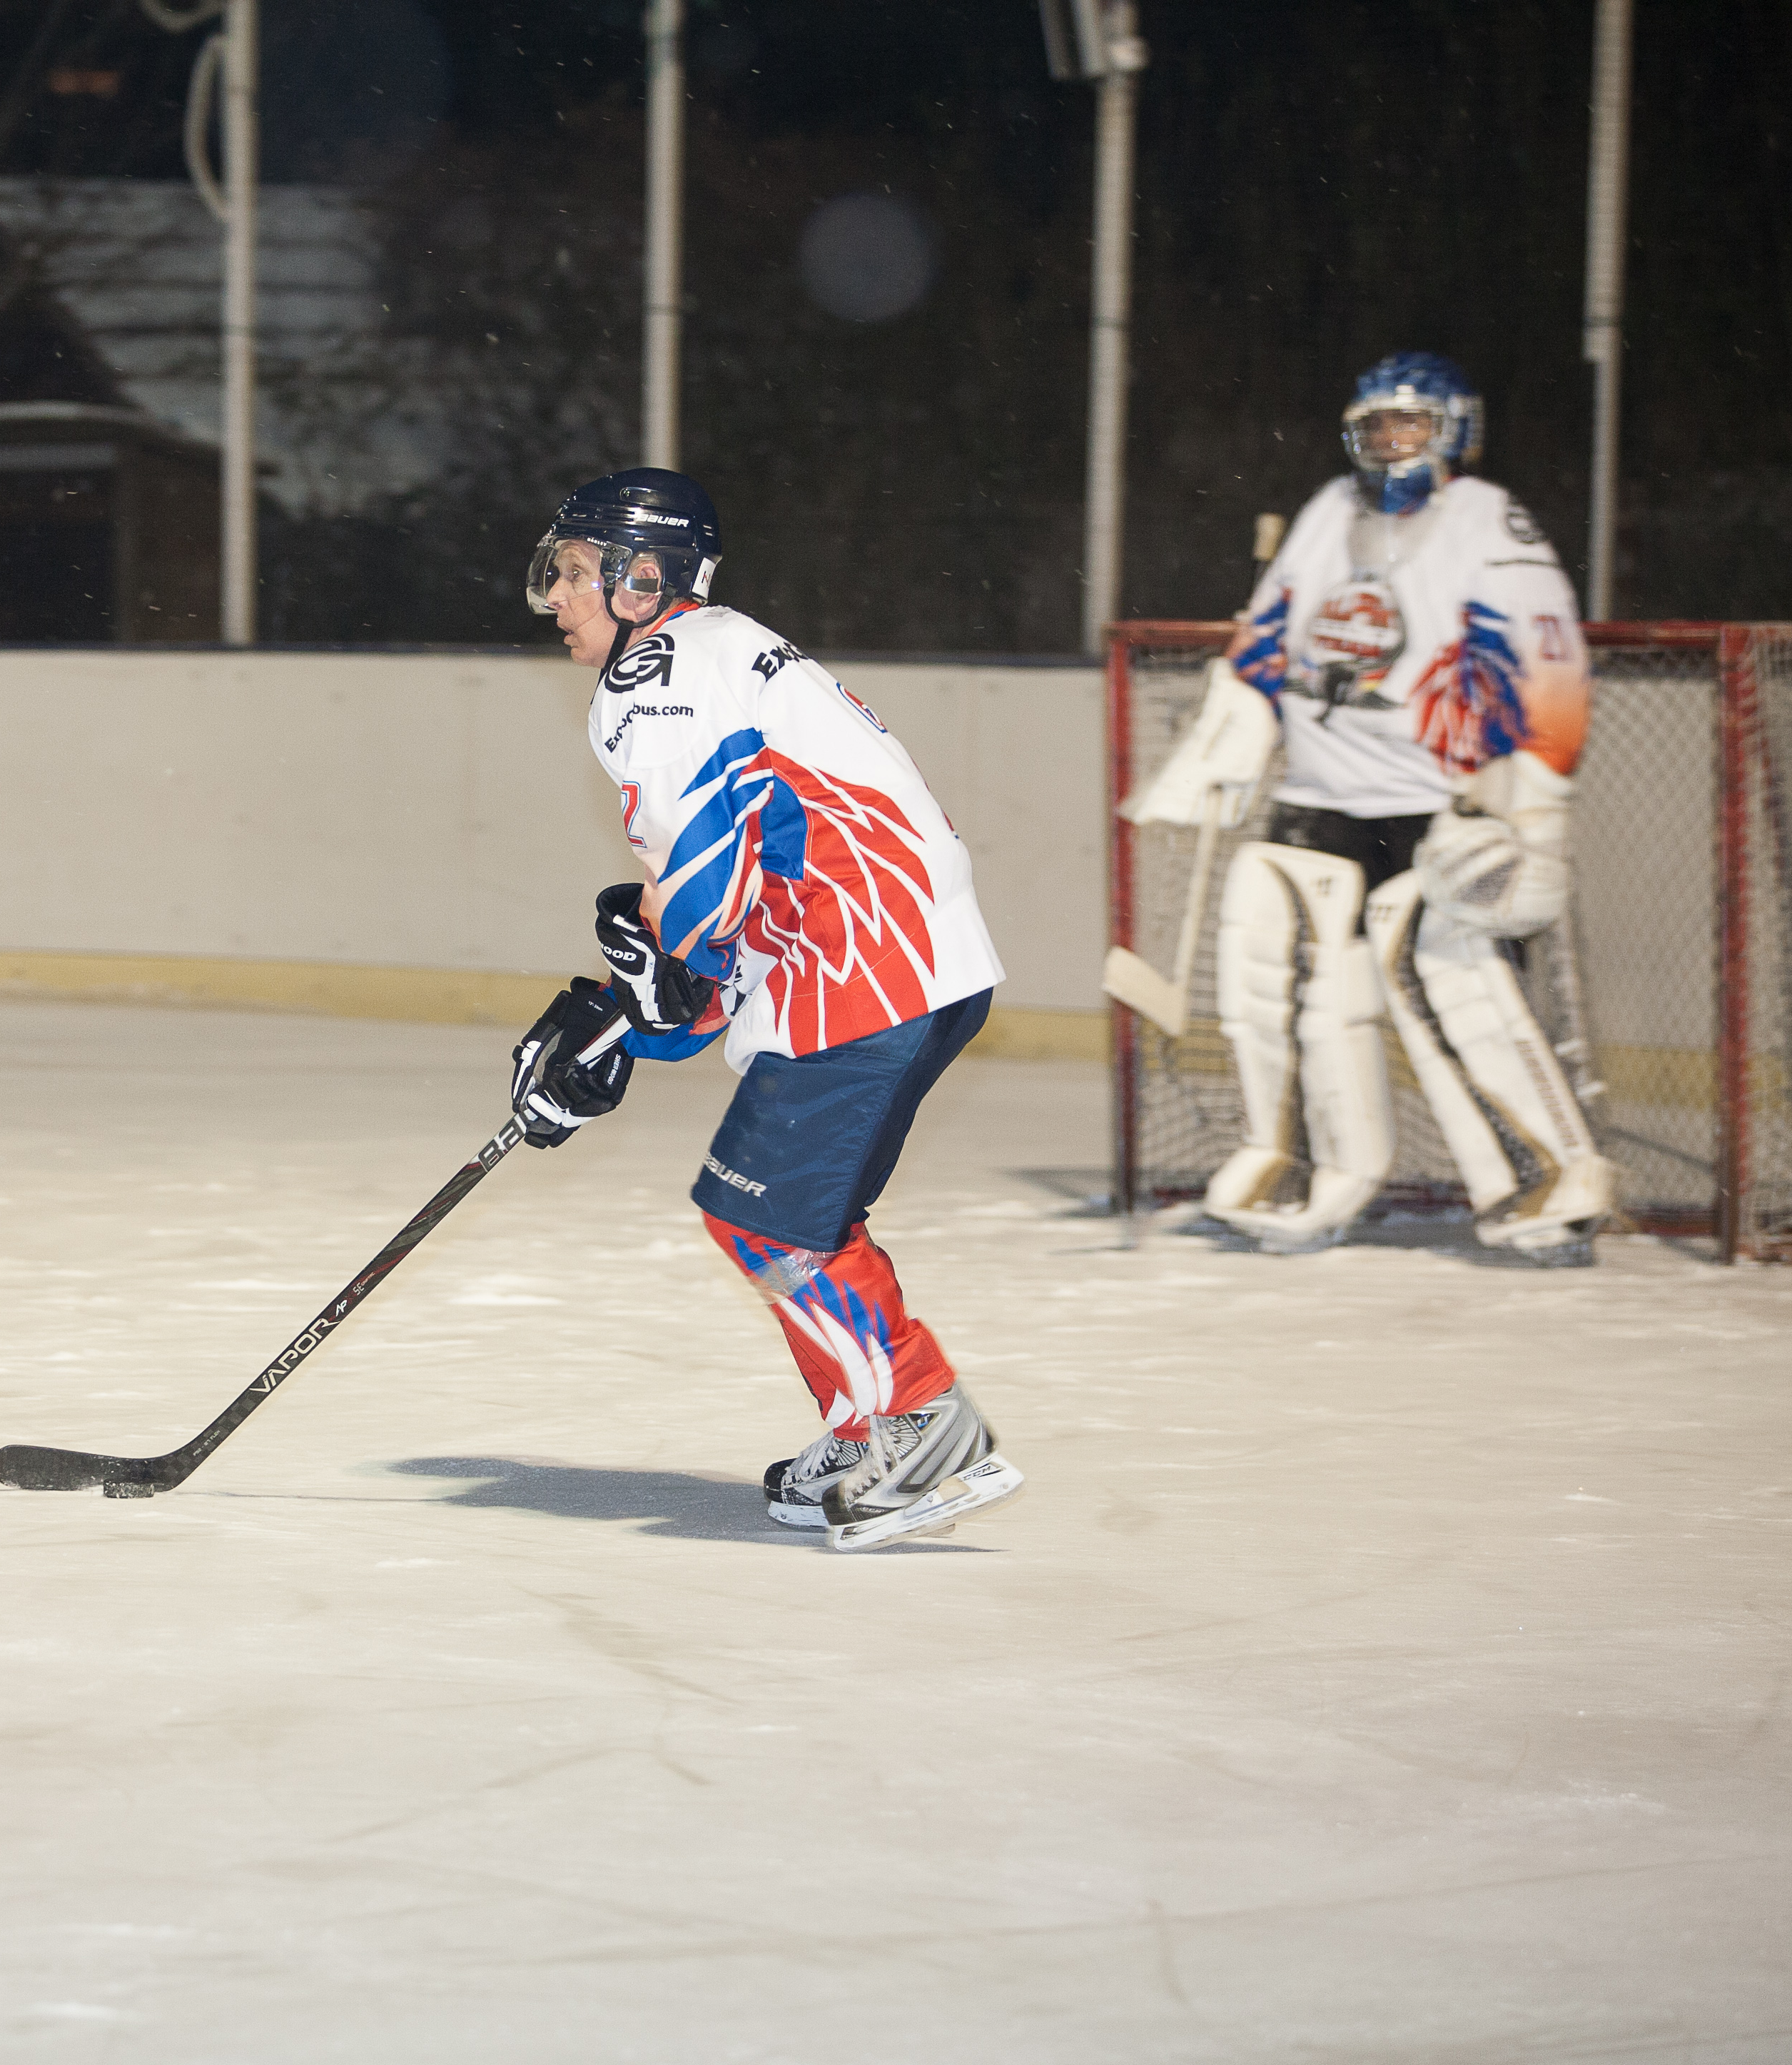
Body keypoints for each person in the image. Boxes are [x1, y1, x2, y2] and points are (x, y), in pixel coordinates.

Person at [505, 468, 1023, 1550]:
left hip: (863, 959)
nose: (555, 595)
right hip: (895, 957)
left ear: (642, 579)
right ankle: (868, 1424)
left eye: (576, 571)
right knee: (800, 1217)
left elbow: (703, 896)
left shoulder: (654, 674)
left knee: (766, 1215)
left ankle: (922, 1428)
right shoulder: (717, 651)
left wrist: (633, 1008)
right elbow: (725, 914)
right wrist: (624, 1025)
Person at [1125, 352, 1615, 1261]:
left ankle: (1550, 1180)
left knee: (1455, 990)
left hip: (1435, 803)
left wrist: (1534, 809)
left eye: (1411, 424)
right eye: (1376, 425)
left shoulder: (1489, 520)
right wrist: (1231, 731)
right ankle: (1303, 1169)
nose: (1392, 442)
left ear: (1456, 431)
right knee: (1282, 977)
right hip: (1317, 796)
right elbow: (1267, 633)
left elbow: (1551, 660)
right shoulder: (1327, 510)